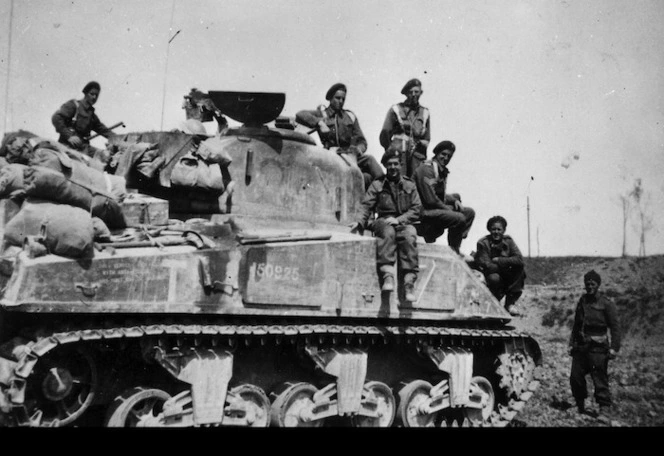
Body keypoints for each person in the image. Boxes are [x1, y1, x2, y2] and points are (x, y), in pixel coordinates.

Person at [350, 147, 421, 302]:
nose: (393, 167)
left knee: (410, 235)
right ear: (385, 166)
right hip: (383, 220)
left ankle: (409, 283)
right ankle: (388, 275)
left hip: (402, 221)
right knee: (387, 232)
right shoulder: (377, 184)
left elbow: (416, 209)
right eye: (389, 164)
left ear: (400, 165)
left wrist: (400, 220)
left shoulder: (410, 185)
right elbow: (366, 205)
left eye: (396, 164)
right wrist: (359, 221)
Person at [295, 83, 384, 189]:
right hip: (330, 155)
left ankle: (386, 187)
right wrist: (319, 123)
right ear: (330, 99)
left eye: (343, 99)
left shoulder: (349, 116)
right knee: (363, 178)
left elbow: (362, 141)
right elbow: (300, 114)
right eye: (337, 98)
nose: (341, 101)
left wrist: (358, 150)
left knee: (369, 163)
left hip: (349, 155)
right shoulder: (323, 114)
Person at [568, 270, 621, 419]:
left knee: (599, 378)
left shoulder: (606, 303)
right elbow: (577, 324)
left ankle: (604, 409)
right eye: (587, 283)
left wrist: (614, 348)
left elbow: (615, 327)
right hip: (581, 345)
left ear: (598, 285)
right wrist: (572, 343)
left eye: (593, 283)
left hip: (598, 347)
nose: (590, 286)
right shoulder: (582, 301)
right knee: (575, 377)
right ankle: (580, 405)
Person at [412, 140, 475, 254]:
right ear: (436, 154)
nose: (445, 158)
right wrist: (449, 210)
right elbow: (430, 200)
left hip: (432, 209)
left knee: (469, 213)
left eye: (449, 156)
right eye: (443, 154)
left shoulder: (440, 170)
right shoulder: (427, 169)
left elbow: (439, 194)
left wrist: (454, 200)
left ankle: (456, 242)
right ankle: (453, 250)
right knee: (460, 218)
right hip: (421, 211)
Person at [474, 215, 526, 316]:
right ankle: (494, 302)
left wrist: (499, 260)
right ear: (489, 230)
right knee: (494, 278)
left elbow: (519, 260)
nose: (496, 232)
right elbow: (488, 266)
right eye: (493, 229)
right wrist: (507, 264)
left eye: (499, 229)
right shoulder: (483, 243)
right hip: (489, 277)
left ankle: (509, 304)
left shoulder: (508, 241)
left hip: (504, 275)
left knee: (520, 270)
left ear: (504, 230)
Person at [379, 78, 430, 178]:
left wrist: (421, 145)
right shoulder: (396, 109)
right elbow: (385, 132)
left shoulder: (425, 113)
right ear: (406, 94)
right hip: (399, 153)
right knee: (398, 180)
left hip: (417, 155)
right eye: (411, 92)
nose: (414, 94)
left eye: (416, 91)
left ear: (421, 92)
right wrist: (391, 150)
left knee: (416, 182)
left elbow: (427, 138)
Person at [51, 81, 112, 158]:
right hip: (67, 146)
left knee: (105, 157)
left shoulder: (92, 116)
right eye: (92, 94)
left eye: (96, 95)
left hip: (83, 148)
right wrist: (69, 136)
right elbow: (56, 118)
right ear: (85, 93)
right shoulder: (74, 105)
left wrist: (119, 139)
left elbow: (105, 131)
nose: (94, 97)